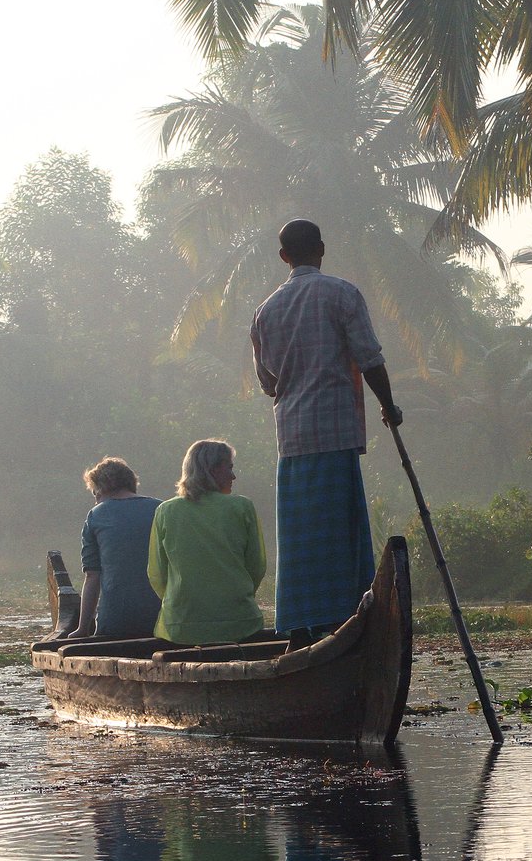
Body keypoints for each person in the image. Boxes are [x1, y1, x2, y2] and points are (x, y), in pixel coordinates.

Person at [250, 219, 401, 647]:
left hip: (293, 439)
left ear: (284, 257)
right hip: (334, 433)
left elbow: (268, 384)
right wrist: (388, 407)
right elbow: (369, 358)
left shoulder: (265, 312)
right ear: (321, 248)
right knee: (342, 532)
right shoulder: (342, 293)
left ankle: (302, 628)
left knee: (300, 536)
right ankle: (345, 620)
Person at [147, 439, 267, 644]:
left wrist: (182, 604)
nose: (233, 476)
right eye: (229, 468)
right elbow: (257, 566)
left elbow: (157, 573)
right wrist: (236, 597)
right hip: (239, 620)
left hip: (181, 624)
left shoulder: (166, 511)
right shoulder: (242, 506)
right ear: (211, 469)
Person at [68, 457, 161, 639]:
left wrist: (82, 628)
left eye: (94, 492)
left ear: (101, 488)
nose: (95, 499)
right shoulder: (161, 508)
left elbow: (92, 576)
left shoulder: (96, 515)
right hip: (162, 619)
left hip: (116, 621)